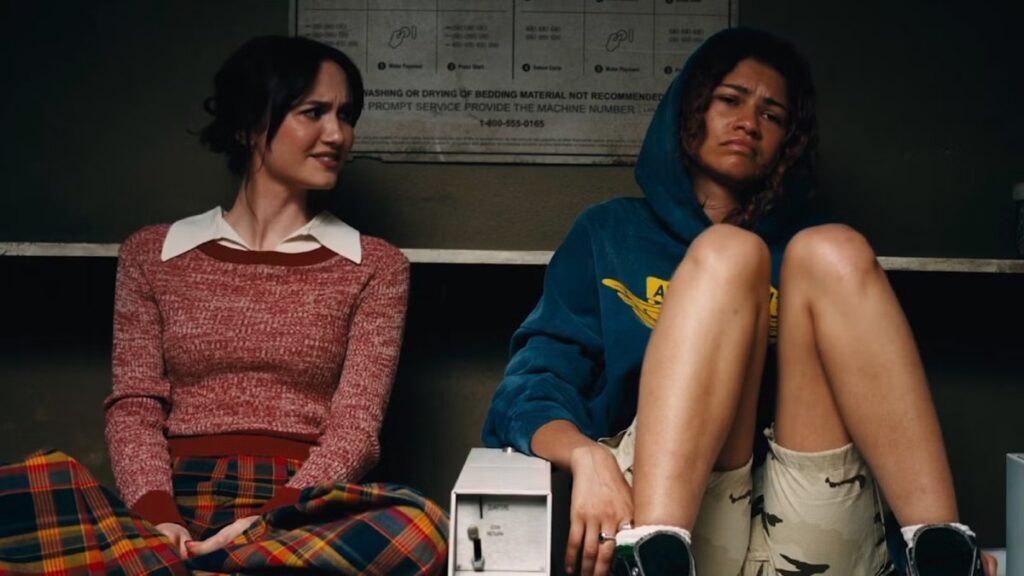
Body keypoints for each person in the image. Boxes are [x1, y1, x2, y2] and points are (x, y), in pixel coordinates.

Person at [483, 27, 995, 576]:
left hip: (807, 515)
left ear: (788, 142)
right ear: (689, 110)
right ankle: (654, 554)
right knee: (730, 253)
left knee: (836, 248)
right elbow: (531, 388)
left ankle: (942, 547)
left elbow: (881, 397)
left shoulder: (811, 255)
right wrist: (586, 456)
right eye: (730, 100)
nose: (749, 122)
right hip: (674, 511)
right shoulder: (610, 232)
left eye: (772, 115)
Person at [0, 35, 447, 575]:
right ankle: (201, 563)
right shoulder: (152, 253)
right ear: (248, 125)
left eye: (346, 115)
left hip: (300, 508)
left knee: (421, 528)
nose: (338, 134)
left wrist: (267, 521)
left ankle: (186, 565)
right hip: (170, 498)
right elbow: (135, 406)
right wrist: (158, 519)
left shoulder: (375, 264)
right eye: (314, 112)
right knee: (22, 494)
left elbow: (356, 427)